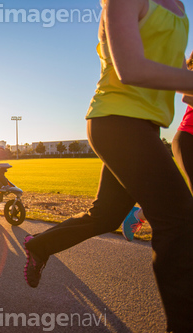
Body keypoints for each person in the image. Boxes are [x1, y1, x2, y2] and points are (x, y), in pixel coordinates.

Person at [22, 1, 193, 331]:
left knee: (107, 215)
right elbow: (130, 69)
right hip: (115, 121)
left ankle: (41, 245)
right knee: (180, 221)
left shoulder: (181, 7)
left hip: (146, 126)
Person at [122, 51, 193, 241]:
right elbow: (187, 97)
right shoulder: (190, 74)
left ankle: (142, 213)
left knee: (186, 200)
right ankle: (143, 215)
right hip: (189, 139)